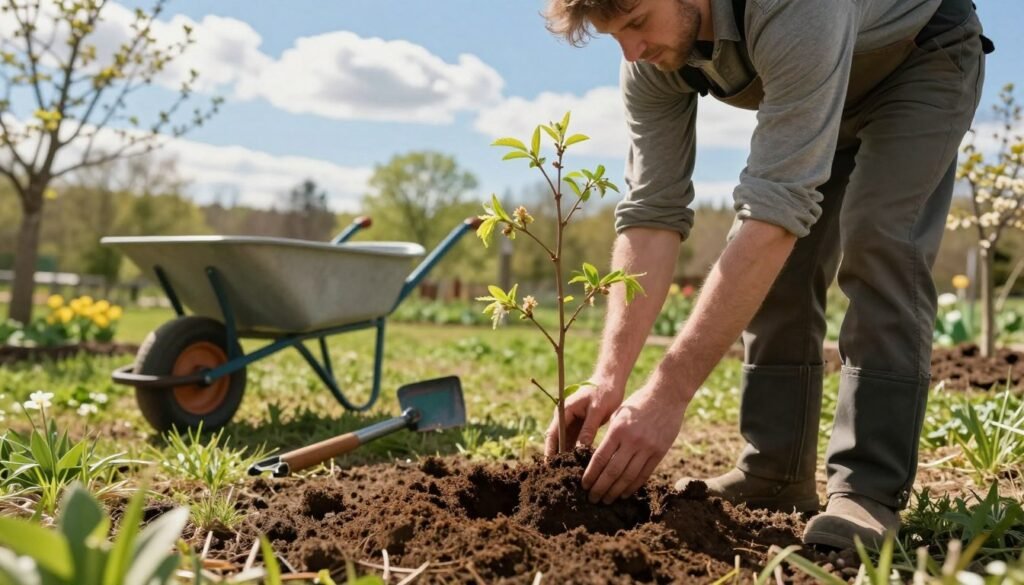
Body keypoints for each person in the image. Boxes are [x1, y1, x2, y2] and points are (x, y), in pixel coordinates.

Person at [542, 0, 991, 548]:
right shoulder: (649, 60)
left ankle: (867, 491)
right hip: (819, 85)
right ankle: (774, 473)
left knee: (879, 239)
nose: (631, 51)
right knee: (774, 266)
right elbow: (651, 215)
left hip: (917, 60)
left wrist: (667, 392)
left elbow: (776, 211)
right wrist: (608, 377)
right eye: (615, 35)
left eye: (636, 22)